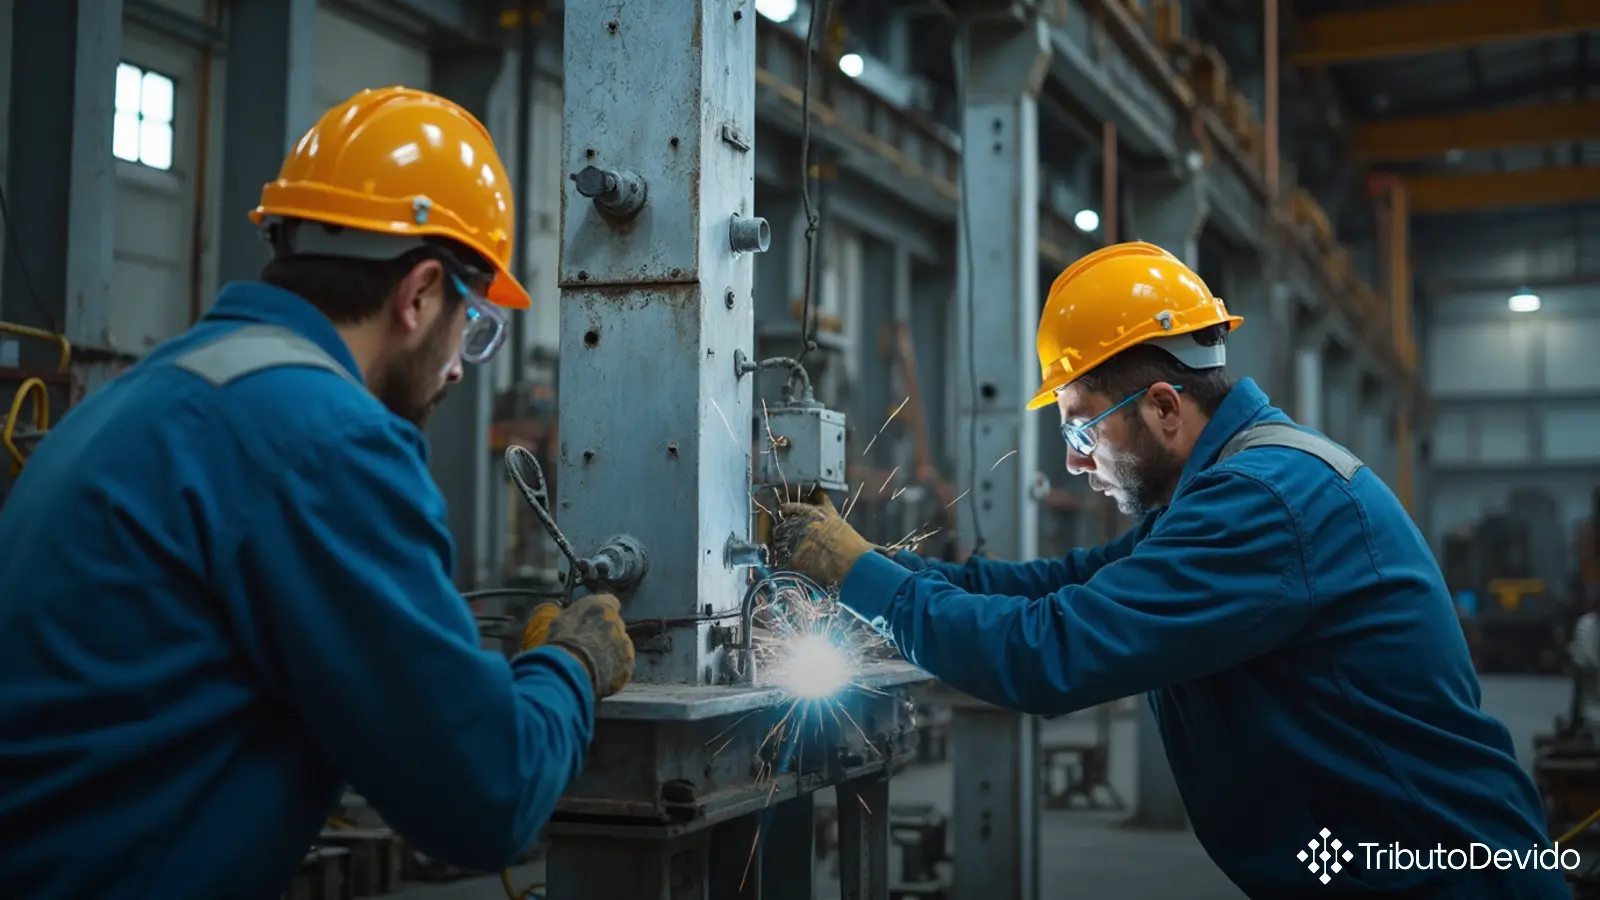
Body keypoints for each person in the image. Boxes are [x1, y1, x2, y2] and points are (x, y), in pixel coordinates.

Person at [773, 242, 1568, 898]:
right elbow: (1066, 586)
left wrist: (862, 579)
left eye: (1083, 430)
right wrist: (875, 568)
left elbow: (1046, 654)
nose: (1078, 465)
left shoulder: (1263, 506)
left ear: (1162, 406)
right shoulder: (1229, 488)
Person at [0, 87, 633, 899]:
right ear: (419, 294)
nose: (455, 367)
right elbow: (488, 795)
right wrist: (572, 665)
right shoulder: (325, 439)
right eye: (472, 329)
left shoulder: (149, 395)